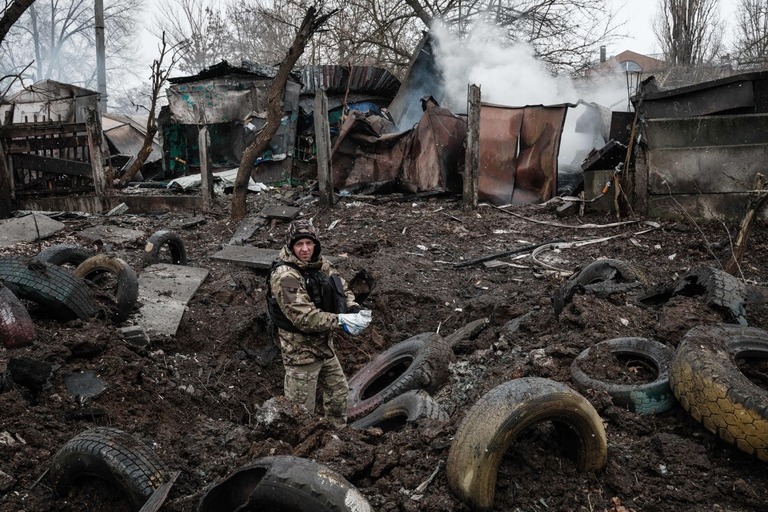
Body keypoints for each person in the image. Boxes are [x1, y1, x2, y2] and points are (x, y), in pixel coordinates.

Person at [268, 219, 372, 426]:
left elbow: (340, 287)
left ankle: (336, 434)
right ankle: (300, 449)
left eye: (309, 243)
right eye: (299, 245)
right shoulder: (285, 277)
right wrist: (340, 320)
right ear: (291, 246)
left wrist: (353, 309)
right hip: (301, 354)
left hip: (323, 347)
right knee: (300, 411)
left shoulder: (320, 263)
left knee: (338, 392)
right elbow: (303, 317)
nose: (305, 249)